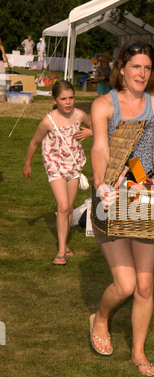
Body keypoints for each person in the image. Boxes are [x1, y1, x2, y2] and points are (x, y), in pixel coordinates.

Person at [90, 40, 154, 376]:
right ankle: (101, 318)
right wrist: (101, 184)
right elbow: (99, 149)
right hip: (111, 196)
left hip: (146, 196)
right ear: (121, 68)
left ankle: (138, 352)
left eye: (147, 67)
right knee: (124, 285)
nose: (142, 73)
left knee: (144, 285)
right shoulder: (103, 105)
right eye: (136, 66)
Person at [23, 80, 93, 265]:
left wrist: (90, 132)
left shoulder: (79, 115)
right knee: (62, 206)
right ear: (55, 100)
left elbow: (96, 127)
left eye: (71, 98)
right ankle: (61, 249)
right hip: (54, 165)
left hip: (74, 165)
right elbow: (34, 143)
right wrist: (27, 164)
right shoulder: (48, 121)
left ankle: (65, 245)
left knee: (69, 207)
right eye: (63, 99)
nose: (68, 102)